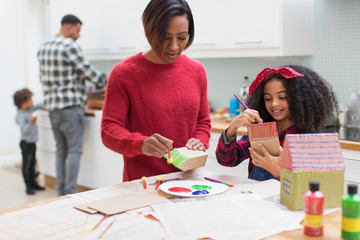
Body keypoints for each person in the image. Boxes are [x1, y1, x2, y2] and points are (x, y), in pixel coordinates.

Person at [101, 0, 211, 181]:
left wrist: (199, 140)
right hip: (143, 184)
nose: (174, 46)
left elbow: (203, 122)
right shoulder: (124, 74)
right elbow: (109, 130)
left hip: (188, 181)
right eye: (165, 37)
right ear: (149, 31)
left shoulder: (197, 71)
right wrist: (141, 144)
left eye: (182, 37)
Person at [216, 65, 339, 181]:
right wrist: (232, 127)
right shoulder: (261, 132)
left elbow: (308, 188)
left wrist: (278, 171)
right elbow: (226, 160)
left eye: (282, 97)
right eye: (268, 99)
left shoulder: (308, 141)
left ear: (299, 99)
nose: (274, 104)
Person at [37, 14, 107, 196]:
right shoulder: (69, 46)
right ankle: (70, 192)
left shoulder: (44, 46)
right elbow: (89, 73)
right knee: (74, 151)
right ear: (68, 27)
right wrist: (109, 81)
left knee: (61, 150)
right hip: (71, 108)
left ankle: (61, 190)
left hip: (53, 108)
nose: (78, 35)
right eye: (78, 30)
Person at [13, 88, 45, 195]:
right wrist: (31, 122)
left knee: (33, 164)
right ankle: (28, 186)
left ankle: (34, 183)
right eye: (30, 100)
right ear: (23, 103)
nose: (32, 102)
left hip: (32, 143)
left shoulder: (30, 109)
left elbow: (38, 105)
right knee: (26, 165)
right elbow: (24, 131)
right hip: (26, 144)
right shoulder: (21, 115)